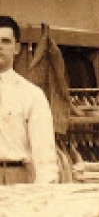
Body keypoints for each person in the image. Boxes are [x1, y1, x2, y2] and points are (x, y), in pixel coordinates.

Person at [0, 15, 59, 184]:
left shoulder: (31, 95)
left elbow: (44, 153)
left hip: (14, 178)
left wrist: (45, 192)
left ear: (17, 48)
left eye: (5, 41)